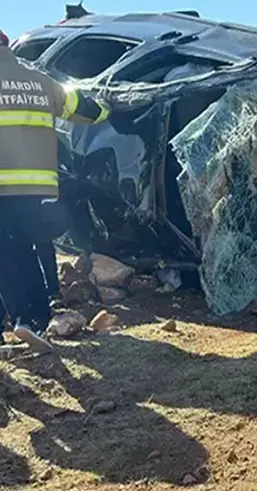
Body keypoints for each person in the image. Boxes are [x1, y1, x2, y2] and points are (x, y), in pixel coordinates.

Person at [0, 30, 111, 354]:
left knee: (4, 257)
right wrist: (107, 103)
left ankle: (19, 319)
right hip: (36, 188)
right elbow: (91, 110)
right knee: (26, 249)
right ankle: (34, 322)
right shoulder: (40, 81)